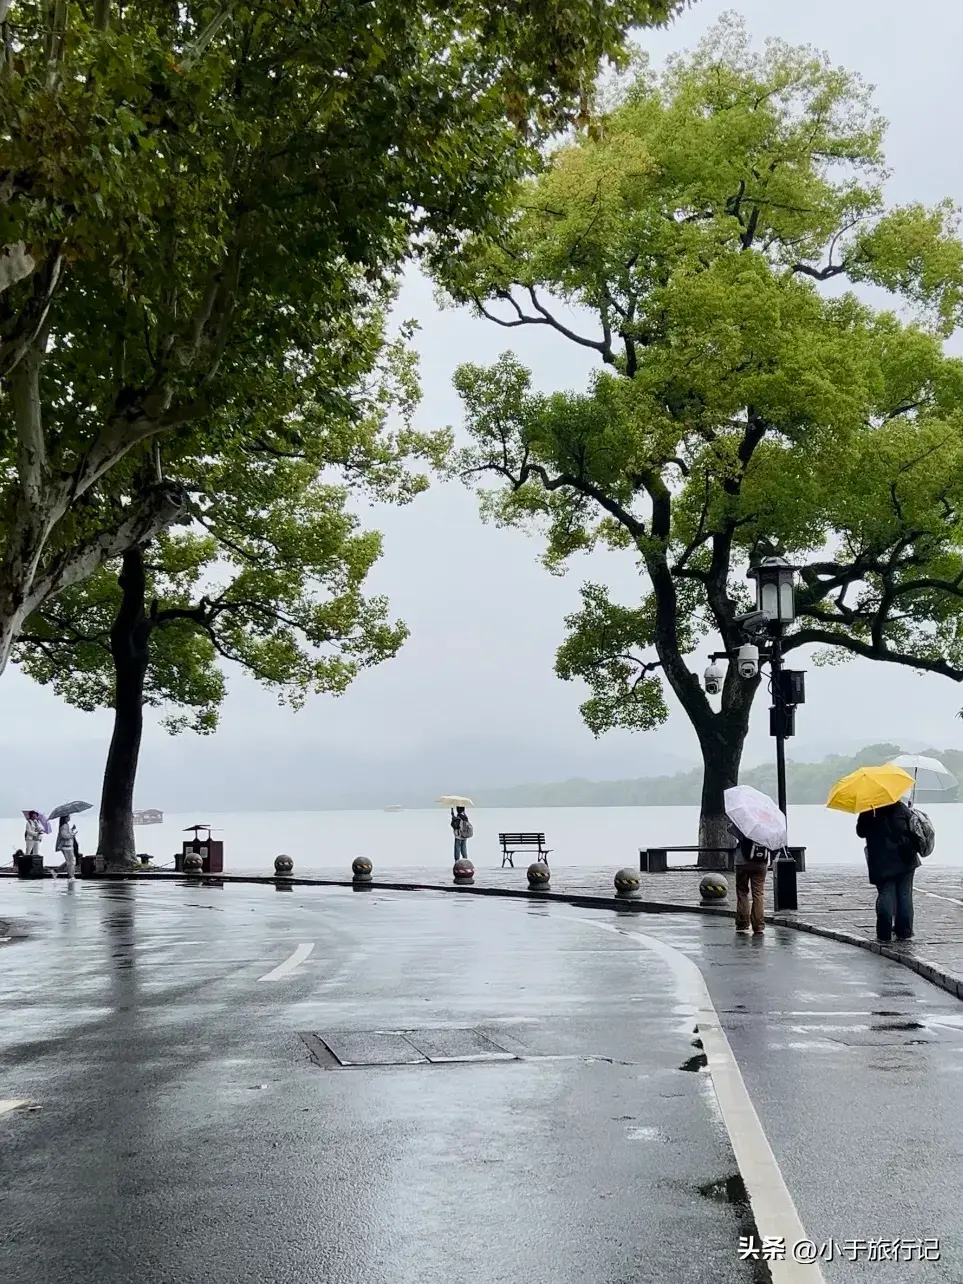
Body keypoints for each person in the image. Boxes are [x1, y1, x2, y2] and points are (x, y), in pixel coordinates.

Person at [856, 800, 921, 942]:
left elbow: (860, 832)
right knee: (905, 895)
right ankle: (904, 932)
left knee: (886, 893)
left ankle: (884, 934)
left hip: (882, 861)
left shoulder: (869, 809)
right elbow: (912, 827)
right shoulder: (900, 806)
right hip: (906, 857)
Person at [733, 830, 770, 936]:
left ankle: (742, 923)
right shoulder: (767, 827)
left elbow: (731, 829)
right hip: (761, 863)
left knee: (742, 892)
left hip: (742, 862)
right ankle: (758, 926)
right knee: (758, 894)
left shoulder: (743, 823)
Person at [55, 815, 77, 881]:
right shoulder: (64, 826)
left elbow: (67, 833)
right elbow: (64, 835)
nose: (69, 818)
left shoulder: (66, 825)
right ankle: (71, 876)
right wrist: (72, 835)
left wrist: (72, 829)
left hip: (69, 846)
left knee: (70, 861)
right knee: (70, 862)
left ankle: (57, 870)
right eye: (68, 816)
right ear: (65, 818)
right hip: (66, 846)